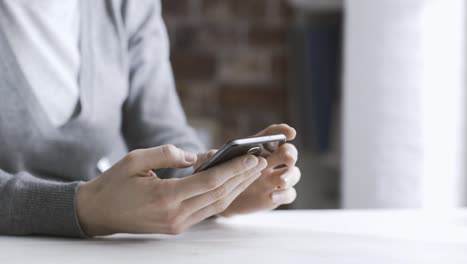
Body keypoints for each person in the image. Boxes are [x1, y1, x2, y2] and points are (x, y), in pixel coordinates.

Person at [0, 0, 301, 237]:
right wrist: (85, 207)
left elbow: (161, 129)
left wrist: (213, 191)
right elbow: (93, 206)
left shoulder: (128, 5)